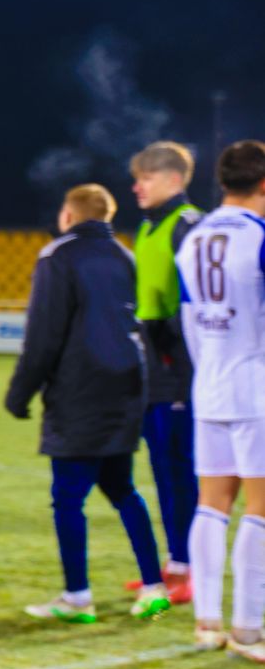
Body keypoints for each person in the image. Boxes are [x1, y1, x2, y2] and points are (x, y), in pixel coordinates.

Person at [6, 184, 169, 622]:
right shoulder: (126, 256)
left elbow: (43, 335)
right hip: (127, 387)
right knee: (122, 488)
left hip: (79, 391)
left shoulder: (57, 256)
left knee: (68, 498)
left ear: (68, 214)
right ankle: (153, 585)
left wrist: (20, 393)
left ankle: (77, 596)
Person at [176, 140, 265, 661]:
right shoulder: (259, 237)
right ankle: (249, 630)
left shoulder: (194, 238)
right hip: (255, 385)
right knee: (261, 508)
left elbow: (190, 322)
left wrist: (211, 365)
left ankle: (206, 623)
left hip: (209, 382)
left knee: (211, 504)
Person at [128, 141, 202, 604]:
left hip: (183, 370)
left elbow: (198, 298)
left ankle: (192, 570)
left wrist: (171, 340)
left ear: (174, 179)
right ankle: (176, 563)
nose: (137, 186)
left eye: (146, 178)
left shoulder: (189, 226)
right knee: (163, 469)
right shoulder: (147, 227)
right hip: (153, 369)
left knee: (183, 470)